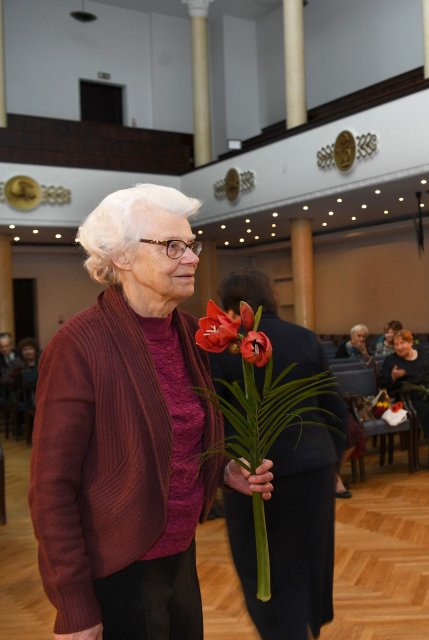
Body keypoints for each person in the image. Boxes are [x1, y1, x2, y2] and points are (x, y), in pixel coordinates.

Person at [28, 184, 274, 640]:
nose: (193, 258)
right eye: (172, 246)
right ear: (121, 256)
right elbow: (50, 488)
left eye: (191, 244)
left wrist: (221, 469)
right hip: (118, 565)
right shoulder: (79, 345)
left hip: (180, 552)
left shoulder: (186, 332)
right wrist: (74, 605)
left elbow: (177, 435)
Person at [209, 268, 348, 640]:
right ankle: (303, 625)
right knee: (309, 555)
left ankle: (282, 632)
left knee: (260, 562)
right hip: (312, 465)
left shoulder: (221, 347)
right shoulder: (304, 338)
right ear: (272, 297)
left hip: (250, 474)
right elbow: (334, 407)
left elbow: (211, 415)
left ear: (231, 303)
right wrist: (334, 460)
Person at [379, 329, 429, 471]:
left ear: (410, 342)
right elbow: (382, 383)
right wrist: (393, 377)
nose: (398, 347)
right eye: (396, 344)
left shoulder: (424, 355)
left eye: (402, 343)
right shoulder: (391, 360)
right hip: (410, 398)